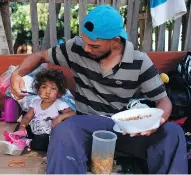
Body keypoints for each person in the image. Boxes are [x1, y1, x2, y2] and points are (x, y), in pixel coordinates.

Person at [10, 5, 188, 174]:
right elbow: (40, 56)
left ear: (115, 41)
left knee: (173, 133)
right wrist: (17, 74)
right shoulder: (76, 48)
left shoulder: (139, 62)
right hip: (84, 126)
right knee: (63, 130)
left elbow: (163, 101)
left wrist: (157, 121)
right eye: (85, 41)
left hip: (123, 129)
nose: (86, 48)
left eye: (94, 46)